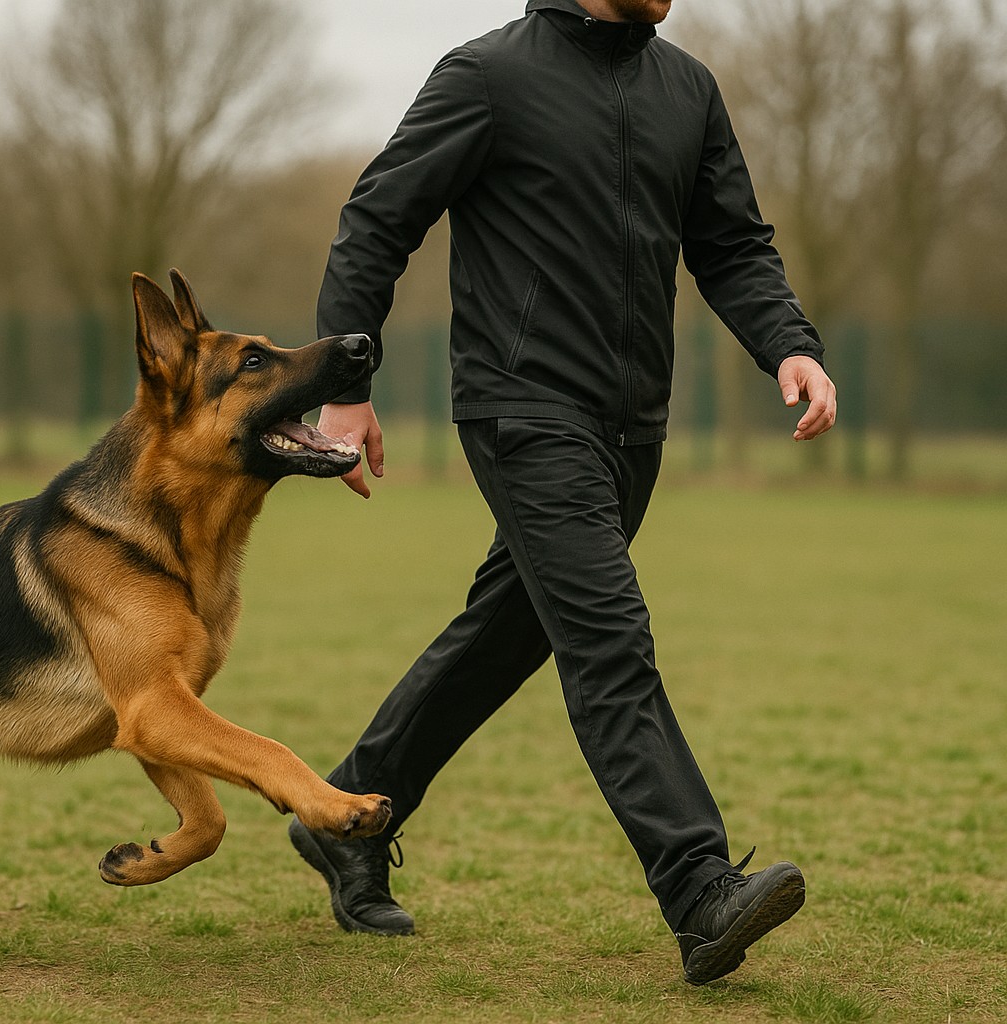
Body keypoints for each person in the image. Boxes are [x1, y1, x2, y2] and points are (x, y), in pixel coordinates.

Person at [287, 0, 837, 986]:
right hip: (523, 410)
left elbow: (732, 244)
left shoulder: (688, 90)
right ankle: (699, 888)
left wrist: (789, 343)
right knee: (608, 640)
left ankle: (351, 809)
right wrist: (345, 386)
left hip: (634, 427)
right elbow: (379, 217)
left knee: (509, 631)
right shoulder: (487, 76)